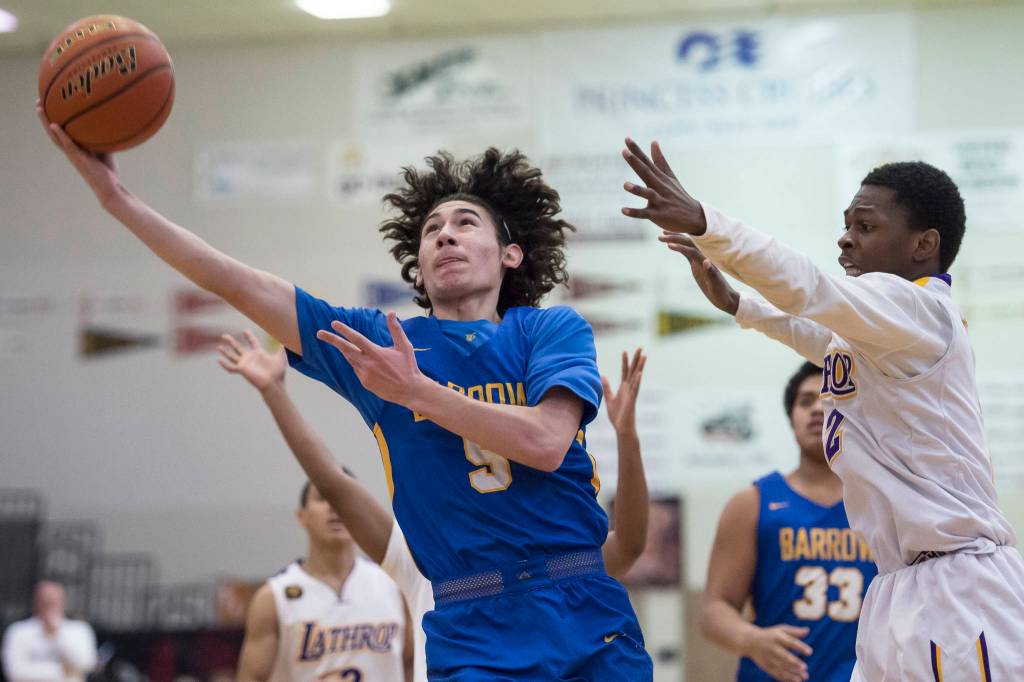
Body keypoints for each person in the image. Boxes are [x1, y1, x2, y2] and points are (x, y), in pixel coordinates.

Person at [38, 105, 652, 680]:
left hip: (580, 601)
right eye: (432, 229)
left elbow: (545, 443)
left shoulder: (548, 329)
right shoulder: (376, 343)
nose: (445, 235)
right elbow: (238, 283)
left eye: (466, 223)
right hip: (471, 620)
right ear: (416, 263)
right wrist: (116, 200)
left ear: (510, 254)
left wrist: (418, 392)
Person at [621, 138, 1024, 680]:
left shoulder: (922, 310)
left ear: (923, 244)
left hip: (957, 588)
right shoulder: (878, 338)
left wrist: (703, 220)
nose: (845, 238)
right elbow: (813, 333)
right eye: (846, 224)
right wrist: (738, 304)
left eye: (865, 226)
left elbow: (808, 290)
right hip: (895, 587)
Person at [217, 330, 651, 682]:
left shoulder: (559, 561)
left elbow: (628, 547)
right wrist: (275, 391)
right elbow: (334, 481)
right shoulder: (419, 555)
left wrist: (627, 439)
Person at [701, 362, 877, 682]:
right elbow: (714, 610)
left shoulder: (881, 507)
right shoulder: (753, 503)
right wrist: (750, 640)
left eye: (829, 399)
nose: (816, 409)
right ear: (791, 417)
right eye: (805, 400)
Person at [236, 479, 412, 682]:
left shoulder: (393, 585)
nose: (334, 506)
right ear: (302, 517)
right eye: (323, 498)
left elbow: (412, 665)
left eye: (343, 499)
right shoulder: (273, 597)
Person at [1, 581, 97, 682]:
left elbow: (87, 663)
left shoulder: (79, 629)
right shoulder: (18, 631)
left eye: (53, 601)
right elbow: (15, 672)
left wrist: (57, 634)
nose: (49, 605)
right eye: (45, 600)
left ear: (63, 601)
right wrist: (61, 671)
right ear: (36, 601)